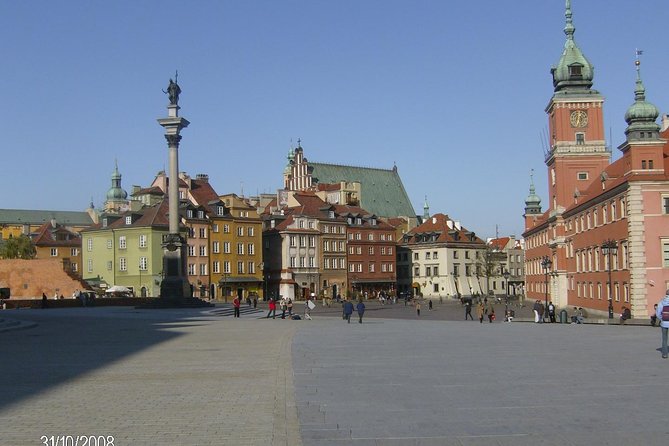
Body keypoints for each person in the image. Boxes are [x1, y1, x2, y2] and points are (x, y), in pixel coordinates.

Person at [656, 291, 669, 359]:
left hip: (664, 323)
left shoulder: (661, 302)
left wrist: (662, 319)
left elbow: (658, 313)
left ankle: (664, 354)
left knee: (664, 339)